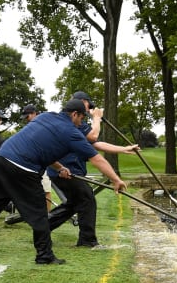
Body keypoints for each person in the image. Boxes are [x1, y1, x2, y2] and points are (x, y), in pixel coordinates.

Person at [0, 99, 127, 265]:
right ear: (74, 114)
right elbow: (97, 159)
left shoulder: (45, 117)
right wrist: (116, 180)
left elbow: (40, 147)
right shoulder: (71, 132)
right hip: (23, 169)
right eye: (81, 118)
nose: (81, 123)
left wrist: (59, 167)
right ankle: (44, 255)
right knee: (39, 211)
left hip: (0, 161)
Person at [46, 91, 138, 248]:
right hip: (65, 170)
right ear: (82, 102)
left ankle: (42, 227)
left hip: (66, 170)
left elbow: (96, 144)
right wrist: (97, 118)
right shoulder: (73, 120)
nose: (88, 111)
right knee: (87, 198)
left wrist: (124, 149)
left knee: (74, 204)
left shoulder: (77, 121)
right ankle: (87, 241)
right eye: (88, 106)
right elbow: (94, 137)